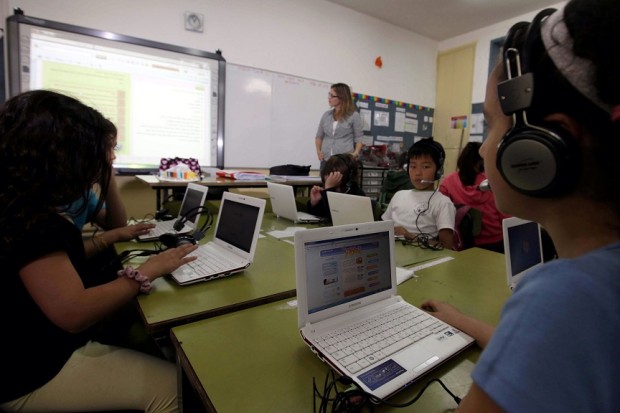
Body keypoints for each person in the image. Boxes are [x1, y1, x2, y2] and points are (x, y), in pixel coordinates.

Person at [421, 2, 620, 411]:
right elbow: (550, 352)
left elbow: (558, 328)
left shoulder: (564, 298)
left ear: (546, 146)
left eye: (492, 126)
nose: (486, 147)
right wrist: (465, 323)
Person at [0, 90, 199, 412]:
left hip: (24, 349)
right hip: (29, 371)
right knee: (176, 391)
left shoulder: (17, 207)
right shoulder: (35, 223)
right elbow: (73, 313)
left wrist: (112, 243)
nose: (105, 160)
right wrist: (149, 270)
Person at [382, 138, 455, 249]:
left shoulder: (443, 203)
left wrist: (409, 236)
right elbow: (383, 228)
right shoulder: (399, 195)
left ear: (439, 171)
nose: (417, 173)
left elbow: (446, 247)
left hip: (422, 259)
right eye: (413, 166)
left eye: (425, 167)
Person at [439, 141, 509, 252]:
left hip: (461, 242)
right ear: (480, 162)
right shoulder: (492, 182)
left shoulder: (448, 182)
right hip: (494, 242)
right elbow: (505, 215)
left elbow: (441, 211)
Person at [315, 83, 364, 169]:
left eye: (332, 95)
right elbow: (319, 136)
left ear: (341, 98)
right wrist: (318, 152)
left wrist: (355, 153)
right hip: (325, 160)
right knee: (325, 182)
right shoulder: (326, 115)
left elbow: (359, 138)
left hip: (343, 162)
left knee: (341, 182)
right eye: (329, 94)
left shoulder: (354, 115)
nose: (329, 97)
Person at [307, 153, 366, 220]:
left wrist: (329, 189)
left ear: (346, 177)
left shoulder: (357, 194)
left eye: (333, 174)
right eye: (328, 173)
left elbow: (335, 218)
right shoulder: (328, 191)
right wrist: (314, 203)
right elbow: (320, 217)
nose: (329, 178)